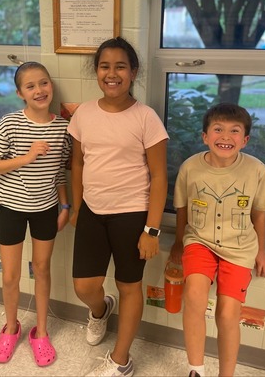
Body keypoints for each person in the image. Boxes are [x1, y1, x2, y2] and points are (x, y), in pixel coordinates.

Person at [68, 37, 169, 377]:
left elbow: (159, 177)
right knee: (84, 286)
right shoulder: (84, 113)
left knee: (129, 287)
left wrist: (151, 230)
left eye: (120, 66)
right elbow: (78, 164)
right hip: (93, 212)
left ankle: (121, 360)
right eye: (105, 66)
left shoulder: (146, 118)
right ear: (97, 71)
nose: (112, 74)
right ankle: (100, 311)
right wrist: (78, 205)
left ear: (133, 72)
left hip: (132, 214)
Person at [169, 103, 265, 377]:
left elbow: (259, 214)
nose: (225, 137)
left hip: (240, 249)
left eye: (234, 131)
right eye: (218, 129)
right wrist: (178, 243)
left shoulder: (257, 170)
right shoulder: (190, 168)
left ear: (245, 140)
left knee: (228, 314)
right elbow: (182, 209)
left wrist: (262, 251)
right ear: (205, 136)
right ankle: (196, 369)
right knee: (193, 295)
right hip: (199, 241)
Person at [0, 62, 71, 367]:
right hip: (11, 208)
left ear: (51, 86)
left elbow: (59, 171)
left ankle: (41, 332)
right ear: (20, 93)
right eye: (30, 86)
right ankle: (10, 328)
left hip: (46, 209)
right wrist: (27, 156)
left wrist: (65, 205)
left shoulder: (61, 128)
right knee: (10, 276)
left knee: (42, 270)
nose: (39, 90)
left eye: (43, 83)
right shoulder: (8, 124)